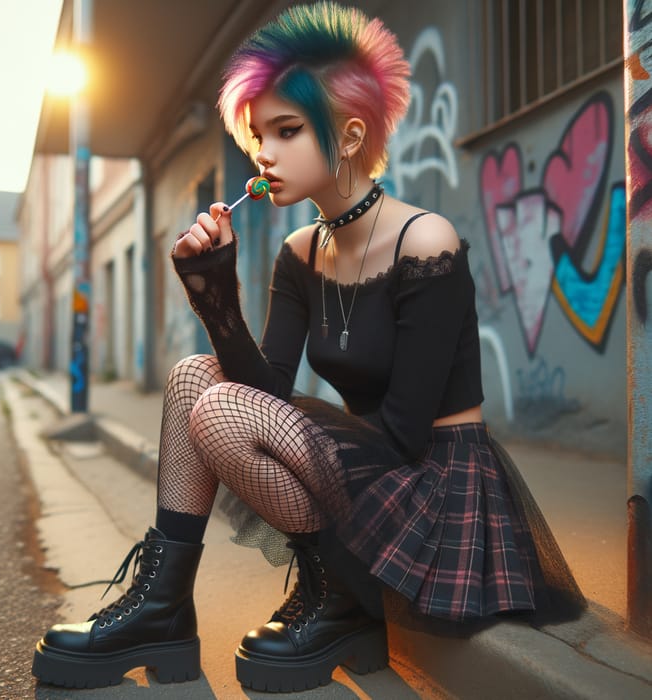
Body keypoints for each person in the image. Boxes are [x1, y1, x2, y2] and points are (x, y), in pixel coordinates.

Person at [32, 1, 586, 693]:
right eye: (257, 133)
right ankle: (162, 608)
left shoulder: (427, 240)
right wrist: (216, 296)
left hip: (437, 483)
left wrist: (293, 435)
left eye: (287, 131)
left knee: (218, 413)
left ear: (350, 136)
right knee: (190, 382)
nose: (263, 153)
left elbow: (407, 432)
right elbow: (260, 390)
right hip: (363, 466)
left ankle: (340, 596)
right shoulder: (301, 251)